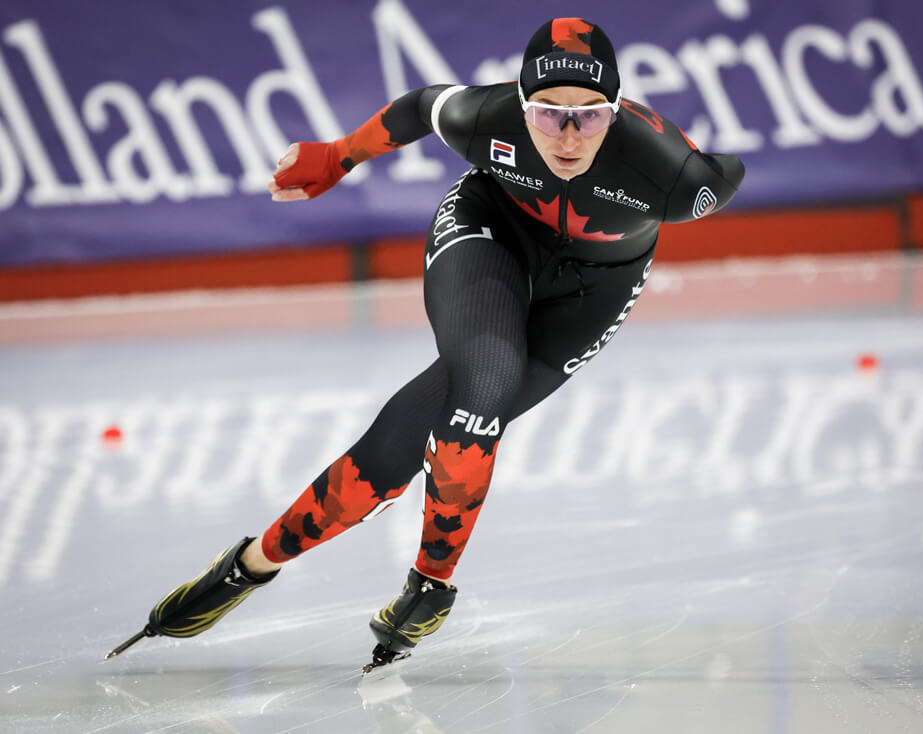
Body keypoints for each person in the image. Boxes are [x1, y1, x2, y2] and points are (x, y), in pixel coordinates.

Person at [107, 18, 745, 671]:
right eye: (550, 117)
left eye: (592, 116)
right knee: (483, 386)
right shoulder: (483, 117)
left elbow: (729, 171)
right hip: (491, 231)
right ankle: (348, 578)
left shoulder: (674, 178)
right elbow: (416, 108)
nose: (571, 136)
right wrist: (337, 156)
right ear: (521, 105)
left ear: (616, 112)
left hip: (593, 293)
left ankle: (296, 569)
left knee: (418, 439)